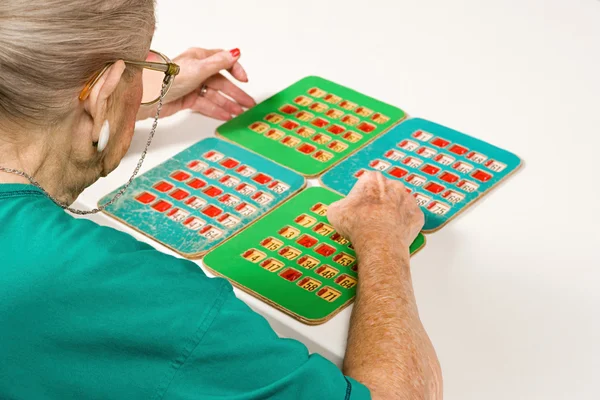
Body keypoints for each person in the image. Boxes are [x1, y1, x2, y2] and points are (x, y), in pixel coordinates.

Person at [0, 1, 442, 399]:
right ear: (101, 93)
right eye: (143, 66)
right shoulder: (127, 293)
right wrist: (383, 241)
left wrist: (129, 103)